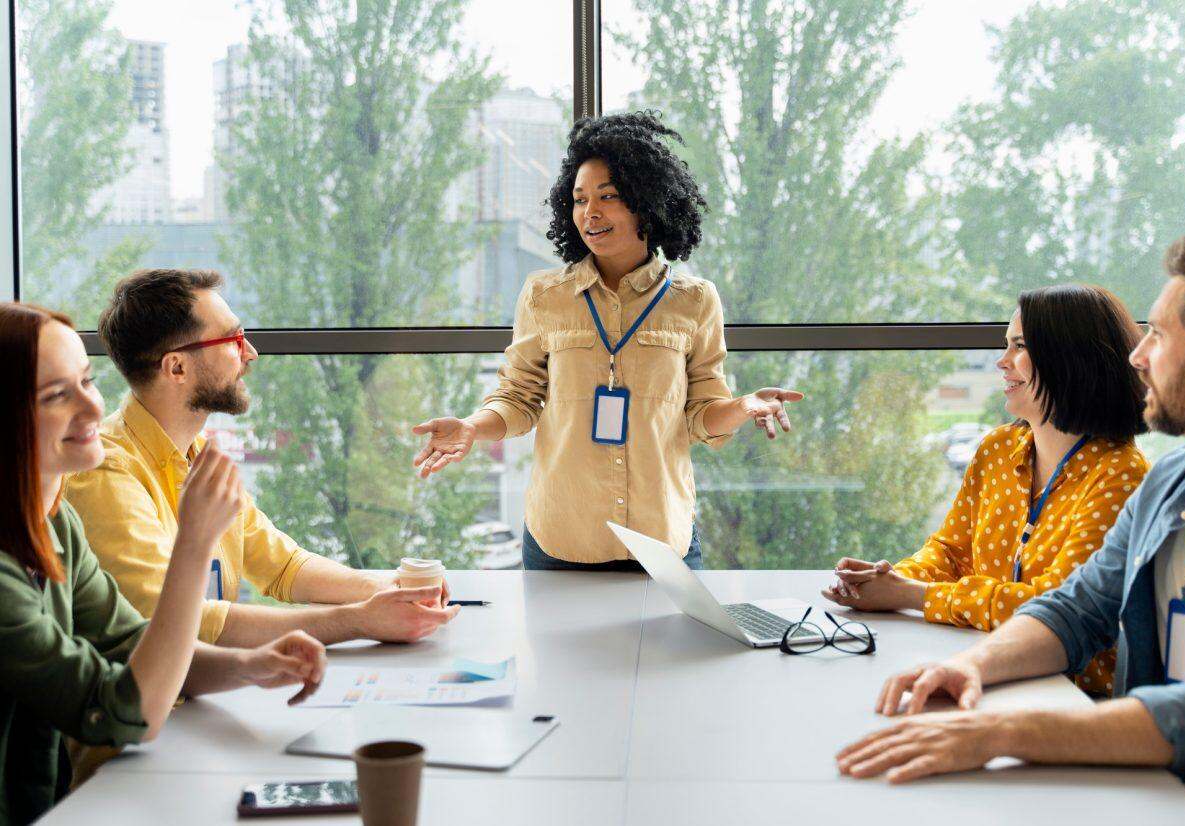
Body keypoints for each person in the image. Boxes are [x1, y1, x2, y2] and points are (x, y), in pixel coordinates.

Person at [835, 230, 1185, 824]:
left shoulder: (1124, 472)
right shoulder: (1170, 485)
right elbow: (1074, 611)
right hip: (1158, 795)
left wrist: (1003, 732)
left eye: (1157, 333)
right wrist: (970, 666)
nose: (1138, 355)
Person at [412, 111, 803, 570]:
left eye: (608, 197)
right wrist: (473, 427)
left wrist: (743, 407)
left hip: (662, 541)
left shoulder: (695, 301)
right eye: (579, 200)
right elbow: (519, 398)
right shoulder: (544, 295)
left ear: (646, 201)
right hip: (562, 540)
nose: (589, 213)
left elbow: (701, 416)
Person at [0, 302, 327, 825]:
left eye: (86, 380)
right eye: (57, 395)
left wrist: (250, 665)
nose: (91, 409)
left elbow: (134, 643)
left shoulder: (56, 525)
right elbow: (125, 713)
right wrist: (195, 545)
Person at [65, 269, 458, 647]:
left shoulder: (196, 456)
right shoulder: (106, 474)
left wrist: (389, 589)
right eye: (233, 340)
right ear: (177, 366)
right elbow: (174, 621)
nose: (250, 353)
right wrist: (357, 621)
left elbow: (283, 566)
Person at [825, 284, 1149, 694]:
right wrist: (885, 581)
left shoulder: (1121, 473)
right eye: (1005, 345)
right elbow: (950, 552)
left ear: (1068, 358)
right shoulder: (998, 448)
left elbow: (1051, 609)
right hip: (981, 662)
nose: (1002, 361)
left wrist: (912, 595)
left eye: (1019, 346)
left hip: (1069, 693)